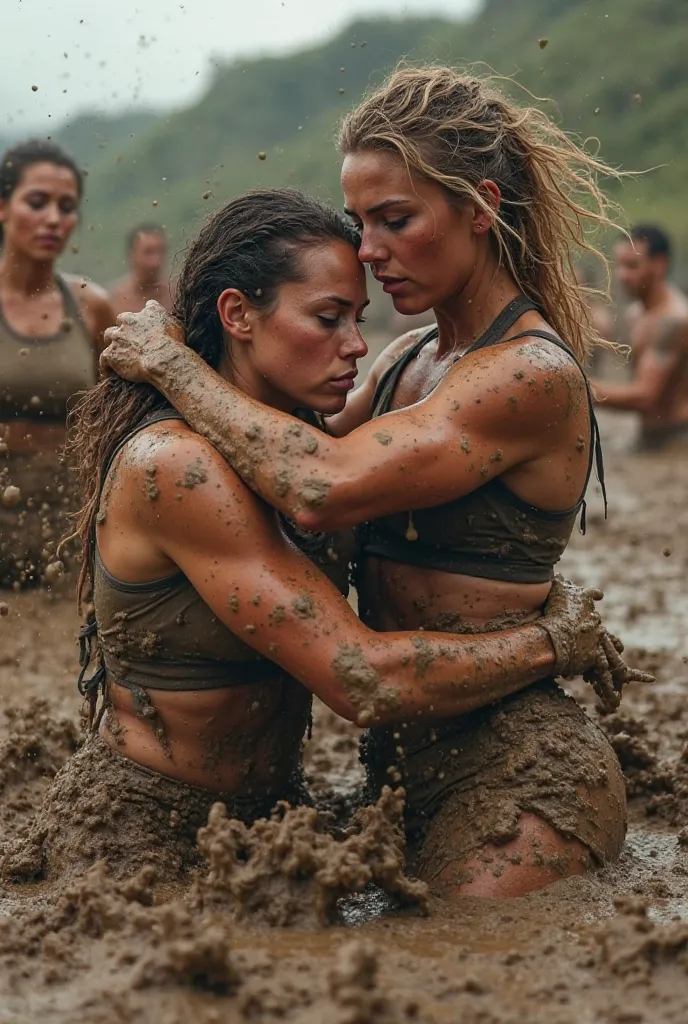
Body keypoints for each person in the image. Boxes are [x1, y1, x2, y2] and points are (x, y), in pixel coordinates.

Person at [101, 68, 645, 899]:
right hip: (395, 771)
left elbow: (319, 483)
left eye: (396, 220)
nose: (366, 251)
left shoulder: (528, 372)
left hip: (517, 776)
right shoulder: (403, 361)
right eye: (359, 224)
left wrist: (174, 363)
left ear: (481, 207)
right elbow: (270, 464)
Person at [0, 139, 115, 587]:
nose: (53, 218)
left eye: (66, 206)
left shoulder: (91, 307)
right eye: (37, 201)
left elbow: (114, 419)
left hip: (67, 527)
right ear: (4, 208)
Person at [591, 225, 688, 451]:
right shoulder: (636, 314)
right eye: (620, 265)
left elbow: (646, 396)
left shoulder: (673, 320)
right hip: (649, 438)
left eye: (632, 266)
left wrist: (582, 389)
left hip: (676, 441)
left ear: (660, 264)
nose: (623, 275)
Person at [109, 223, 173, 316]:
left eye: (160, 251)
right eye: (148, 252)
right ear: (131, 255)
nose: (156, 261)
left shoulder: (177, 296)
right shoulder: (113, 301)